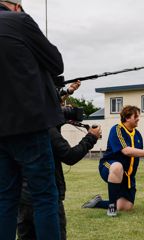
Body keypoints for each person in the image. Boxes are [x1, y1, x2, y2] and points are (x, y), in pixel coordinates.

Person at [0, 1, 65, 239]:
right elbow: (56, 63)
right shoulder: (20, 21)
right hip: (29, 124)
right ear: (16, 5)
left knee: (6, 198)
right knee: (44, 196)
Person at [17, 82, 102, 240]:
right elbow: (69, 156)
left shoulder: (19, 122)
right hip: (46, 197)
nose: (64, 108)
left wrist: (68, 91)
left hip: (22, 198)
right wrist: (91, 137)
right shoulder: (47, 128)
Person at [97, 105, 144, 217]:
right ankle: (111, 207)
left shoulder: (138, 134)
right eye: (135, 116)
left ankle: (98, 202)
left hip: (128, 177)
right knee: (117, 166)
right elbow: (126, 151)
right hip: (109, 167)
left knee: (125, 207)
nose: (138, 118)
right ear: (127, 118)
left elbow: (136, 152)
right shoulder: (117, 129)